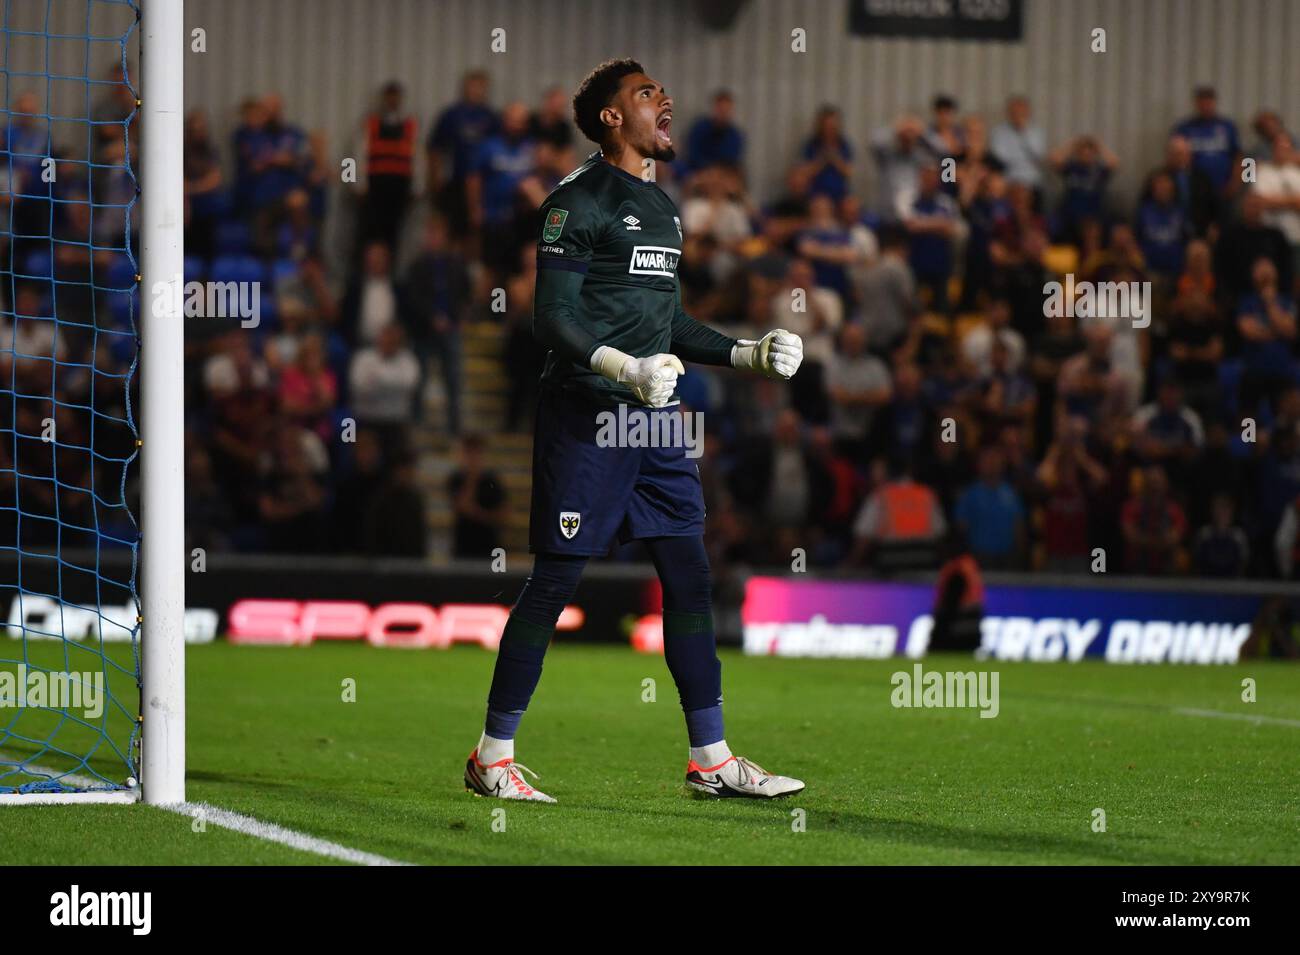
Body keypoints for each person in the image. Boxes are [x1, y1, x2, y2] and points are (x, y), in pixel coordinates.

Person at [465, 58, 806, 803]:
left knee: (689, 575)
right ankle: (492, 755)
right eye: (648, 93)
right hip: (586, 417)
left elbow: (667, 321)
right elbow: (549, 319)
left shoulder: (663, 208)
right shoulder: (574, 203)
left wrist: (746, 352)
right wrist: (626, 369)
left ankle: (710, 759)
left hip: (657, 422)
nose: (666, 100)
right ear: (613, 118)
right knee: (555, 579)